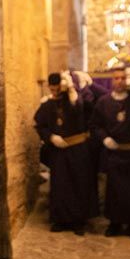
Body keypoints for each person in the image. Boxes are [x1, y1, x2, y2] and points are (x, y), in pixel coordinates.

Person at [90, 65, 130, 238]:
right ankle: (115, 223)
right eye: (116, 78)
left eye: (123, 78)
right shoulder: (104, 101)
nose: (119, 81)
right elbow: (96, 125)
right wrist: (105, 138)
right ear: (112, 81)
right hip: (115, 154)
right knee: (115, 191)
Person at [34, 72, 97, 234]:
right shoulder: (47, 104)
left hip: (78, 148)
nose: (55, 92)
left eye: (57, 89)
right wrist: (51, 137)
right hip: (59, 151)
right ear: (49, 86)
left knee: (79, 183)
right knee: (60, 184)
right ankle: (60, 219)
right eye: (52, 89)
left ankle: (79, 221)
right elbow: (40, 125)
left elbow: (78, 108)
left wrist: (70, 89)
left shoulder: (72, 99)